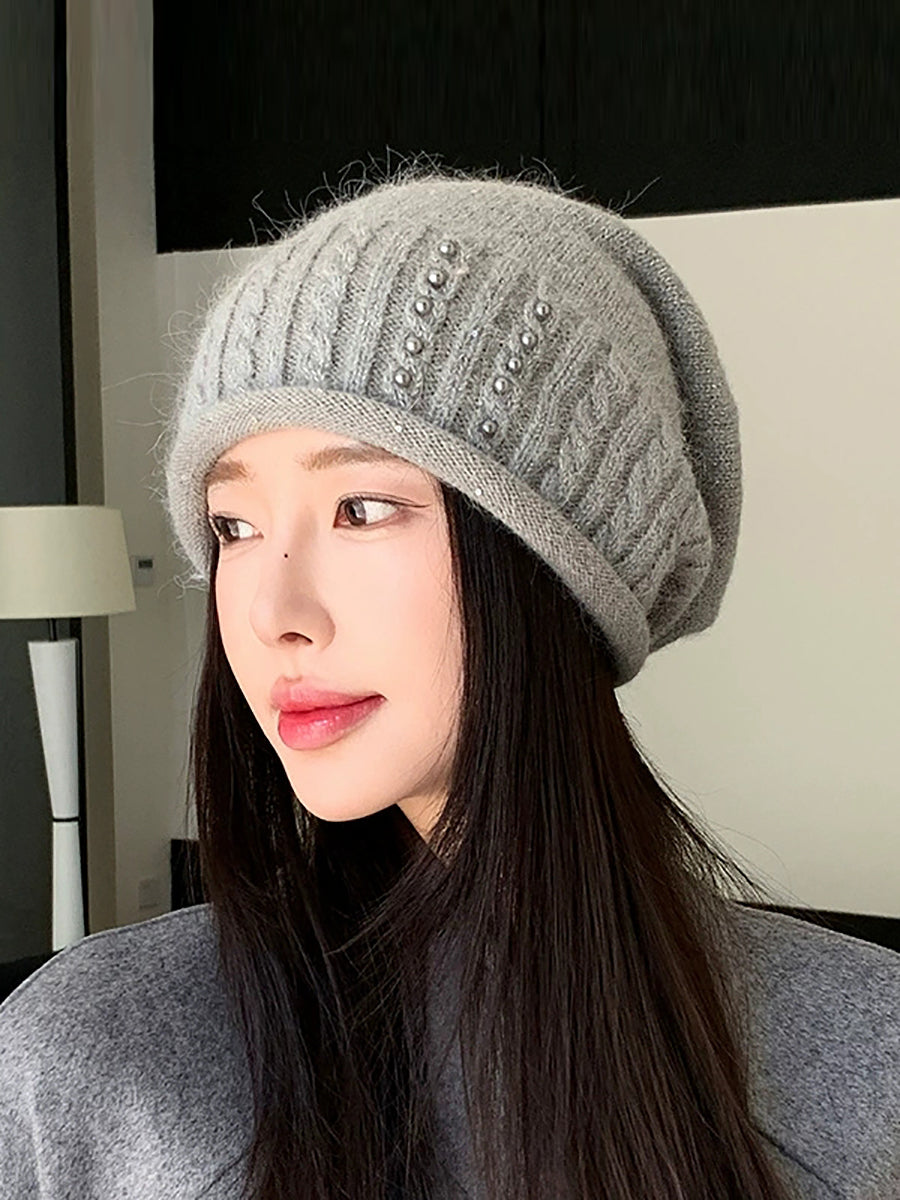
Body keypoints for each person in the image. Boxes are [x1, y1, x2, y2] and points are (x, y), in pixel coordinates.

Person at [1, 165, 898, 1200]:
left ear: (555, 567)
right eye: (233, 527)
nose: (270, 612)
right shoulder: (87, 1063)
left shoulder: (867, 1074)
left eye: (362, 509)